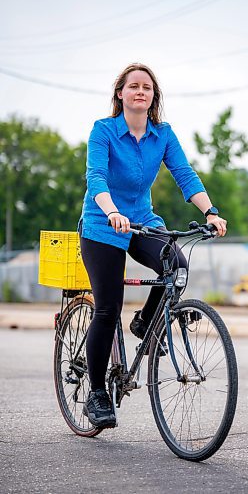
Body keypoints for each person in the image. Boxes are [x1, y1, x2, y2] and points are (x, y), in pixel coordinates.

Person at [79, 63, 227, 428]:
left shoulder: (162, 134)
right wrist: (111, 211)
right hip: (102, 225)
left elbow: (184, 173)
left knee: (176, 266)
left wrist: (210, 211)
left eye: (147, 87)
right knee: (107, 307)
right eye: (133, 86)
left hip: (143, 223)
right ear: (121, 94)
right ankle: (97, 393)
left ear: (153, 96)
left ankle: (146, 322)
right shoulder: (103, 131)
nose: (140, 91)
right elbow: (96, 176)